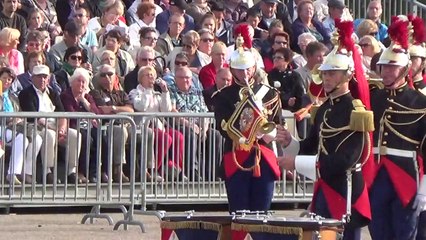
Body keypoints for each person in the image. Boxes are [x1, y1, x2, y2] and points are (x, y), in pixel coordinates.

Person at [277, 19, 373, 240]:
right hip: (324, 189)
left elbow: (347, 159)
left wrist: (297, 163)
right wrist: (290, 142)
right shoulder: (323, 109)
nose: (326, 78)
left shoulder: (356, 111)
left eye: (332, 74)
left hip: (345, 192)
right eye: (326, 73)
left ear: (347, 75)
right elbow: (311, 145)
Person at [367, 16, 426, 240]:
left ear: (405, 70)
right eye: (384, 68)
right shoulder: (374, 98)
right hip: (376, 175)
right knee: (379, 232)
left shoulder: (420, 102)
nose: (387, 73)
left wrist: (424, 188)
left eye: (393, 68)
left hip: (406, 177)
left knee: (404, 234)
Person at [213, 36, 281, 213]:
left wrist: (266, 132)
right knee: (238, 212)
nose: (244, 74)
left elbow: (277, 122)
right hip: (237, 156)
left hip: (263, 155)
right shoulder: (223, 96)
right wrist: (250, 128)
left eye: (248, 69)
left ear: (254, 68)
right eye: (239, 70)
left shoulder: (269, 93)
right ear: (232, 69)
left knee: (262, 212)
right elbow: (223, 127)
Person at [18, 65, 84, 184]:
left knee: (75, 135)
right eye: (39, 77)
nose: (42, 80)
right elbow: (33, 116)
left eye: (45, 77)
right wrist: (54, 129)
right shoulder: (26, 93)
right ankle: (48, 171)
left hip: (55, 126)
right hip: (38, 127)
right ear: (32, 78)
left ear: (48, 79)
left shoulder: (52, 93)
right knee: (50, 134)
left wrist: (62, 128)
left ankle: (72, 171)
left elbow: (62, 113)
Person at [90, 64, 134, 183]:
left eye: (110, 74)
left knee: (148, 133)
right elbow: (103, 109)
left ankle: (147, 169)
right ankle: (118, 169)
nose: (107, 77)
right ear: (99, 78)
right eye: (103, 75)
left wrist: (114, 108)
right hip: (108, 126)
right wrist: (121, 109)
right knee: (120, 131)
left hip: (125, 123)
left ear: (115, 77)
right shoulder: (96, 93)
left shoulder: (121, 93)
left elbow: (130, 110)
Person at [0, 67, 42, 184]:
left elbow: (21, 113)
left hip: (14, 127)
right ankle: (12, 173)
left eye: (9, 79)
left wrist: (18, 120)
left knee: (37, 138)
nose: (7, 81)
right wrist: (9, 120)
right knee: (21, 138)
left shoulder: (13, 97)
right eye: (4, 78)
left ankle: (27, 172)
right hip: (2, 126)